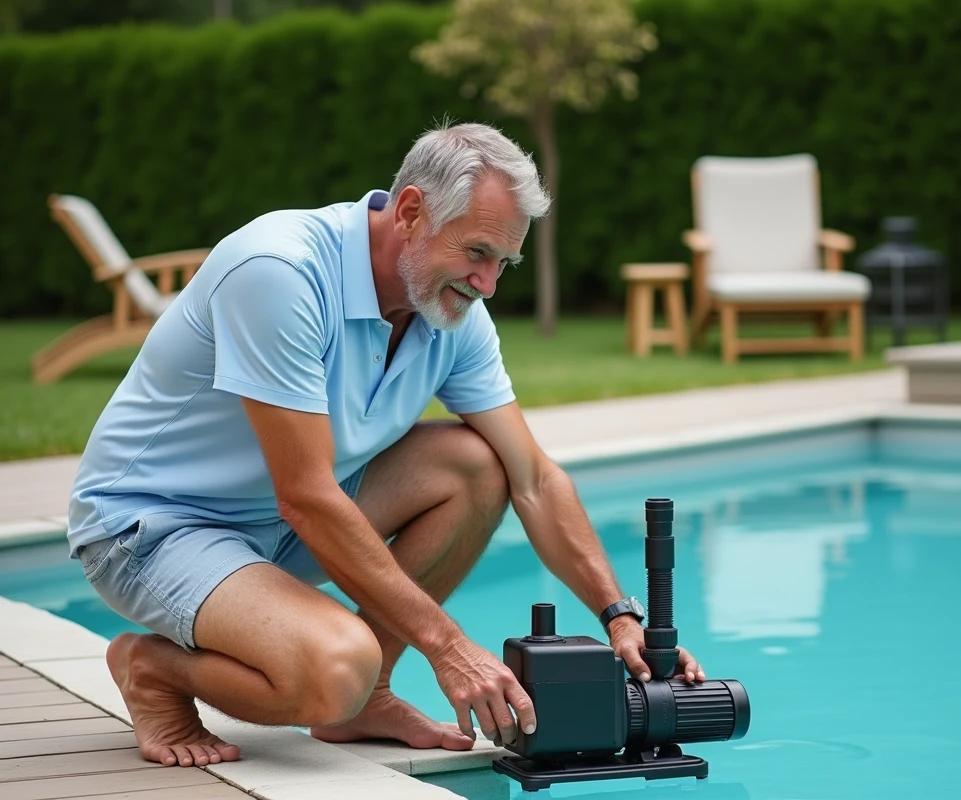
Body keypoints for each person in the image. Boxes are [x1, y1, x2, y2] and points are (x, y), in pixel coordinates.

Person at [66, 121, 703, 769]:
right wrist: (448, 647)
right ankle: (155, 670)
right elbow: (308, 497)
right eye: (477, 253)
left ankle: (368, 697)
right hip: (154, 529)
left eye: (503, 263)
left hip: (284, 523)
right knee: (335, 669)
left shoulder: (451, 312)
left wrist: (620, 616)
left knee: (479, 466)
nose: (488, 284)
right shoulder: (279, 272)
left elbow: (532, 477)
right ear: (410, 211)